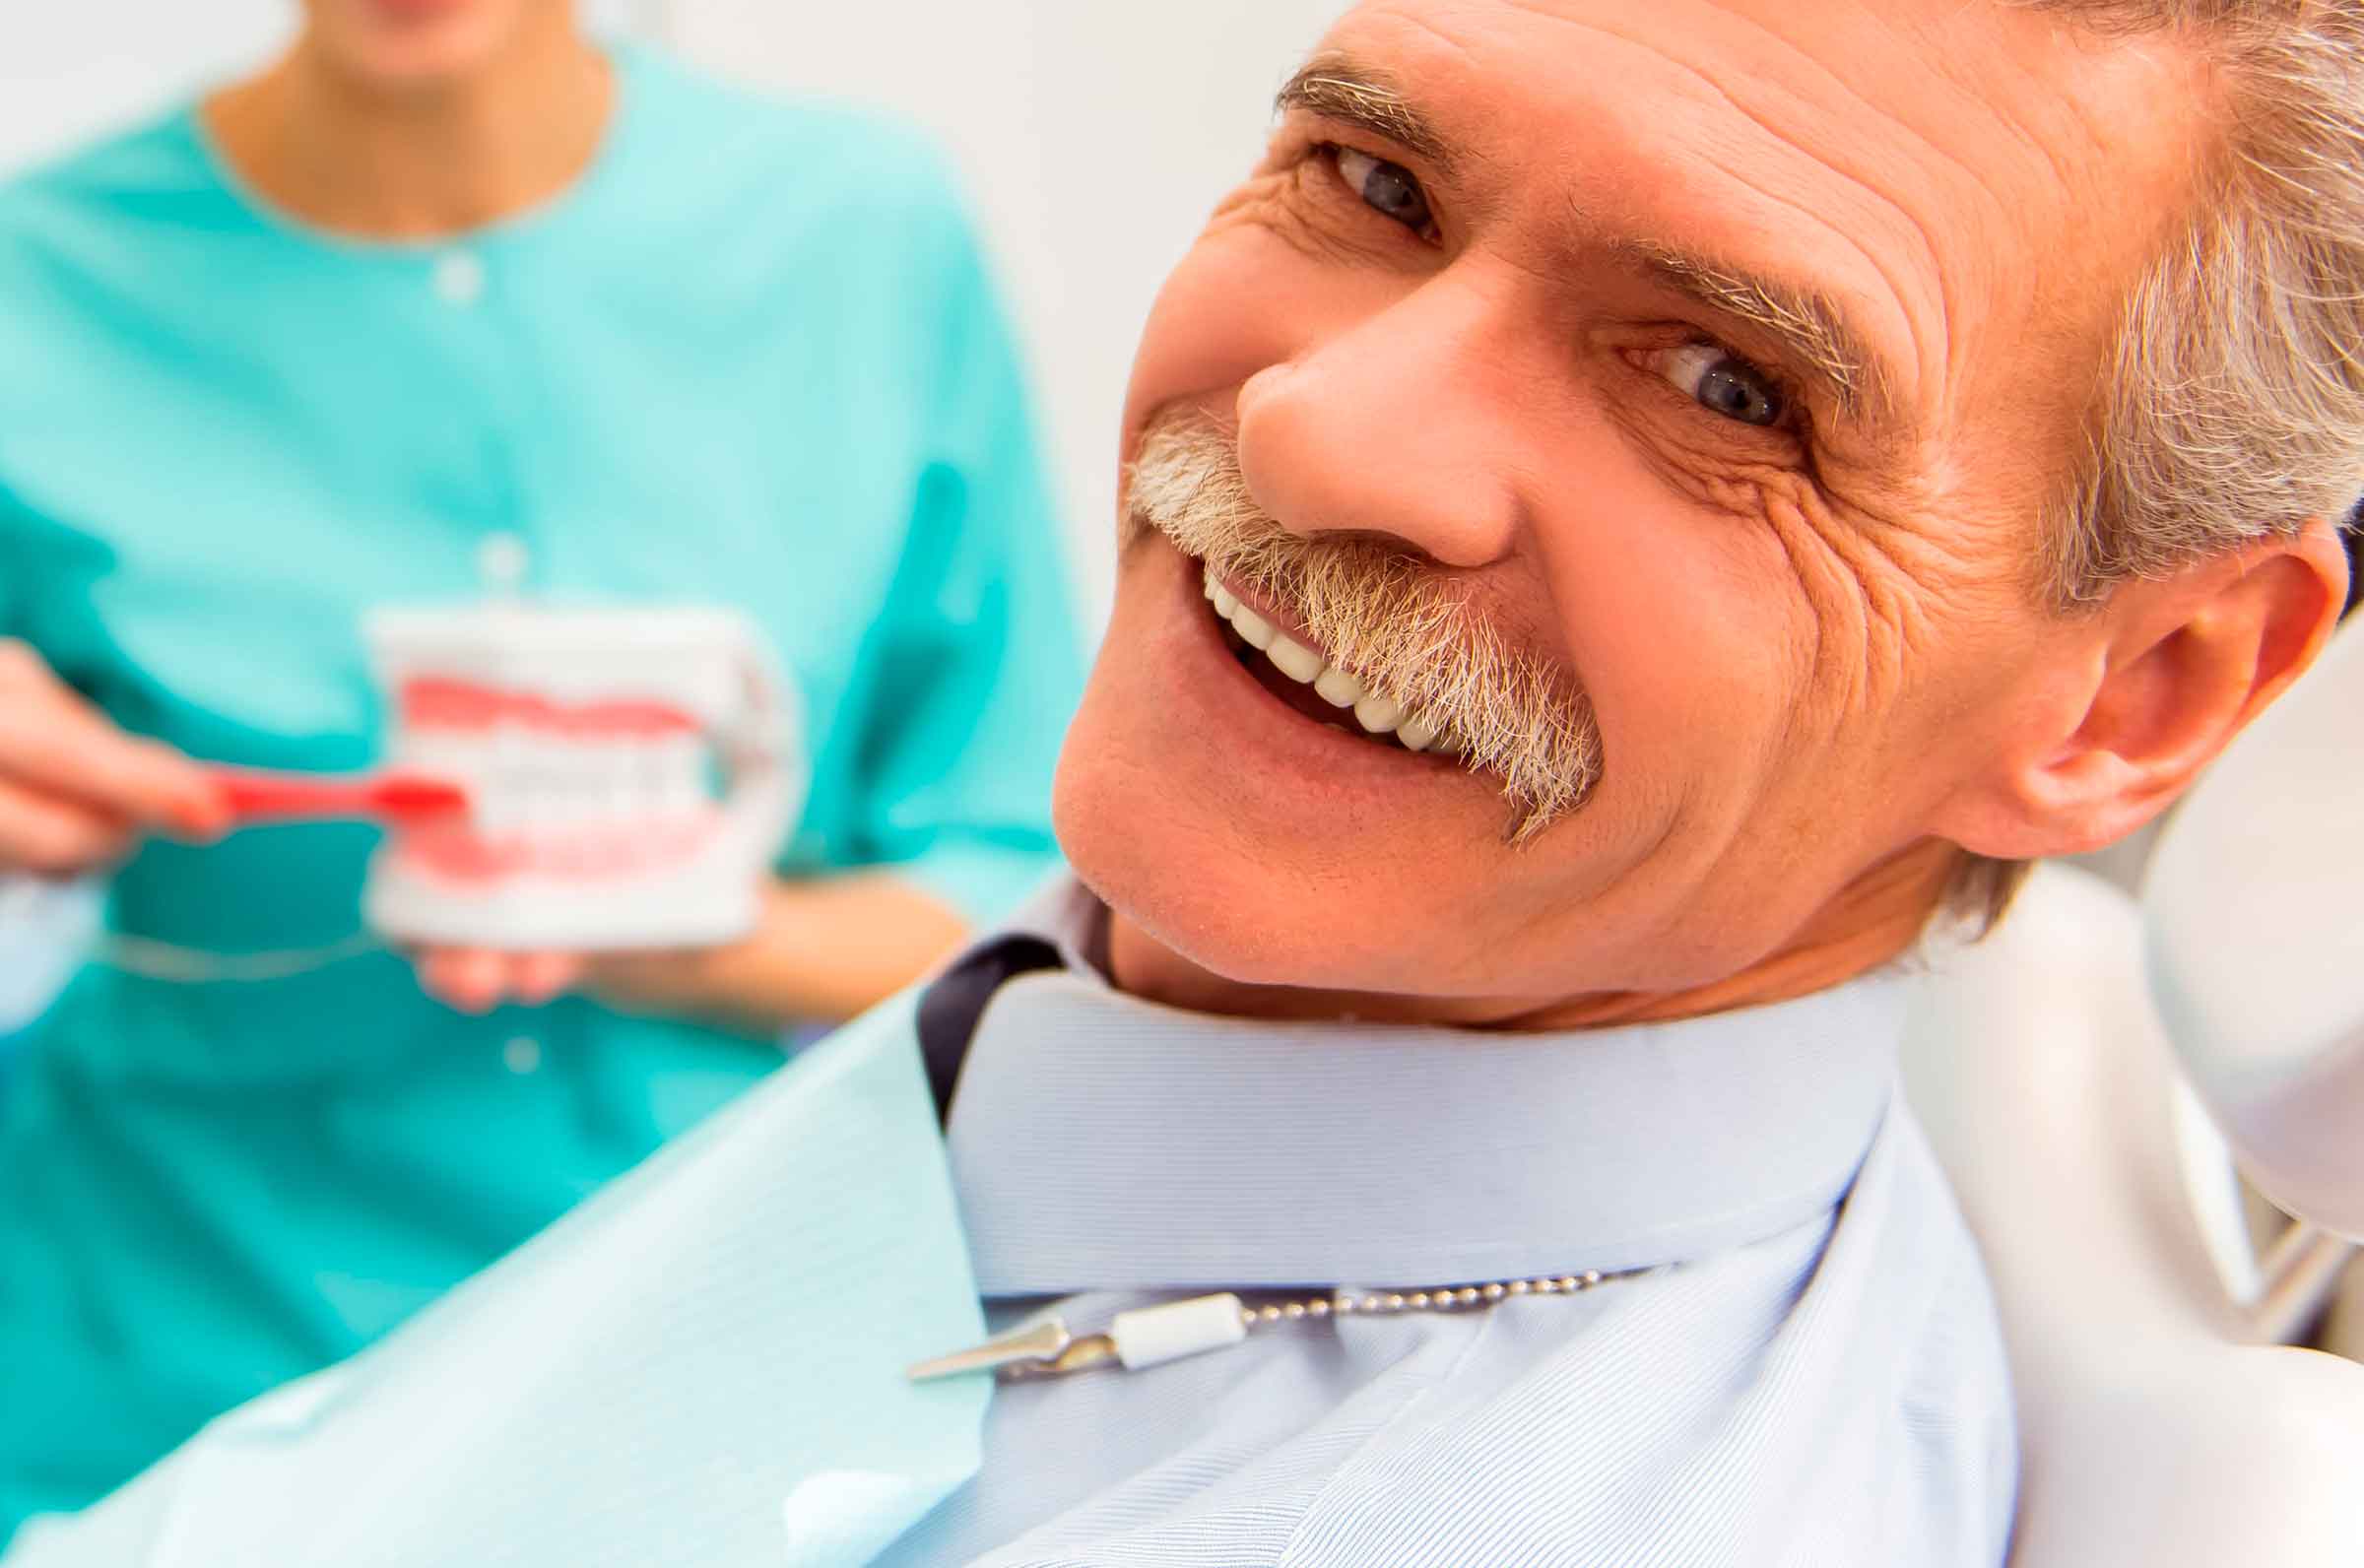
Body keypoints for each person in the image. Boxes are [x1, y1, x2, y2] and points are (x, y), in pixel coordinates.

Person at [10, 0, 2361, 1561]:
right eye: (1376, 183)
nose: (1318, 430)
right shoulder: (1129, 1051)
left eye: (1728, 386)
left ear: (2138, 695)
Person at [0, 0, 1082, 1539]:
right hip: (157, 1398)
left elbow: (1031, 891)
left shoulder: (862, 235)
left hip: (726, 1399)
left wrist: (693, 936)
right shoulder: (38, 280)